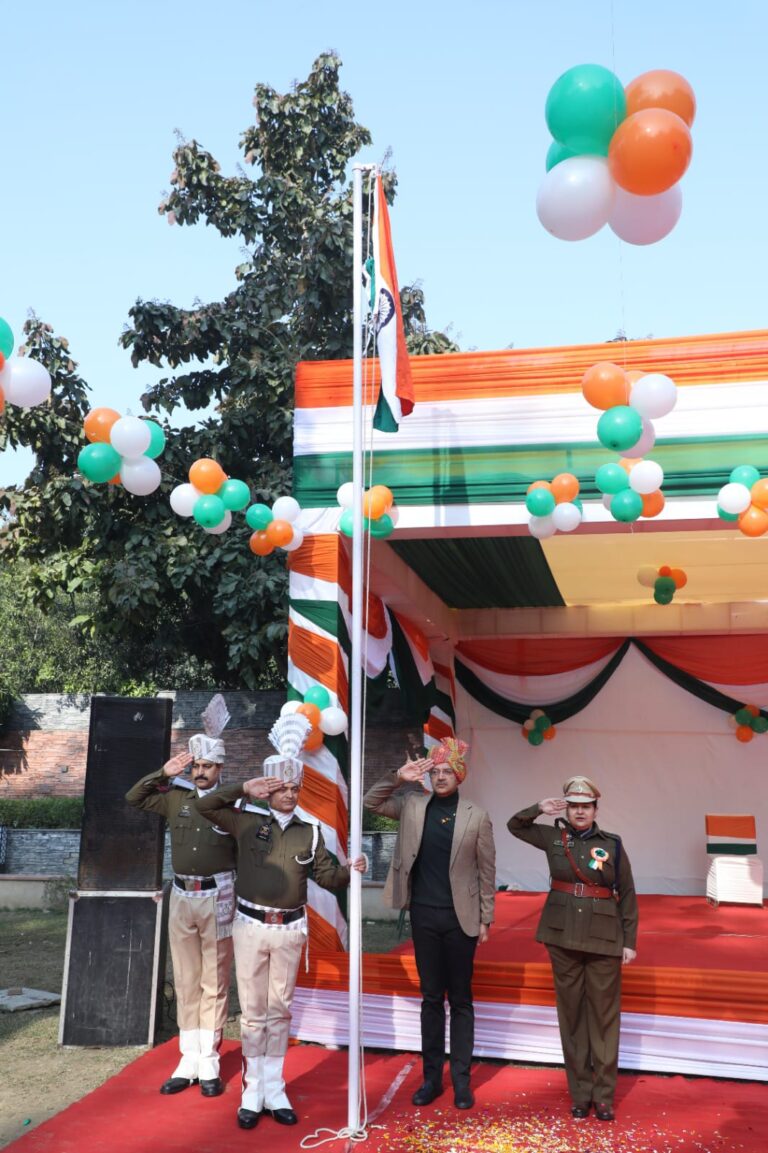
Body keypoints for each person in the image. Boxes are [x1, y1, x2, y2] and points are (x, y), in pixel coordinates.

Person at [195, 760, 366, 1130]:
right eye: (281, 787)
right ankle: (252, 1091)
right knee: (254, 1012)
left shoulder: (310, 832)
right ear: (268, 790)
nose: (289, 794)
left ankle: (275, 1088)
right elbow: (204, 805)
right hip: (251, 926)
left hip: (289, 931)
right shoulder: (246, 822)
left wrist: (351, 869)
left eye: (294, 788)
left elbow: (328, 876)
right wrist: (243, 787)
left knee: (280, 1010)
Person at [363, 737, 496, 1111]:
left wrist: (487, 916)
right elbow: (370, 802)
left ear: (459, 776)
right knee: (431, 999)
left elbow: (488, 871)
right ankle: (431, 1080)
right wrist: (398, 777)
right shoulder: (412, 805)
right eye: (434, 771)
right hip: (424, 914)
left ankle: (462, 1082)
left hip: (461, 918)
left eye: (446, 772)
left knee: (462, 999)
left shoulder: (477, 816)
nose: (439, 777)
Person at [507, 775, 638, 1122]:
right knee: (572, 1018)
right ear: (568, 807)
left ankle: (604, 1096)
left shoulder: (612, 844)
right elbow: (514, 826)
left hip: (605, 939)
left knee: (604, 1019)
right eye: (574, 806)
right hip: (562, 937)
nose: (580, 812)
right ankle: (580, 1094)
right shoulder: (553, 836)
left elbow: (627, 893)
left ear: (595, 809)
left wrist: (629, 942)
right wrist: (540, 808)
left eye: (586, 806)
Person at [125, 733, 236, 1098]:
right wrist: (164, 771)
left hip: (217, 895)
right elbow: (134, 798)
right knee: (186, 978)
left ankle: (209, 1059)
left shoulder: (232, 802)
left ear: (220, 768)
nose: (200, 772)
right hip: (182, 895)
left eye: (207, 766)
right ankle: (188, 1057)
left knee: (214, 979)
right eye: (196, 766)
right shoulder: (176, 795)